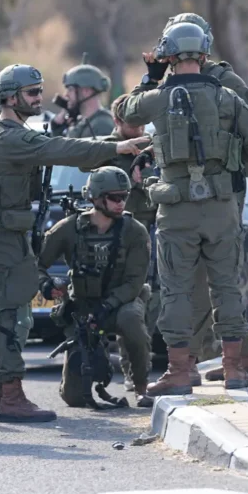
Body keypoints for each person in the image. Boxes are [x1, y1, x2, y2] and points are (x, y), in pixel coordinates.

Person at [0, 64, 147, 422]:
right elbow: (60, 148)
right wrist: (115, 146)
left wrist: (113, 146)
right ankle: (11, 395)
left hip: (3, 235)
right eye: (31, 92)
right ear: (9, 97)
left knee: (12, 313)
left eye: (39, 91)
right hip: (3, 237)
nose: (39, 98)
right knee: (16, 317)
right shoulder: (10, 137)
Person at [115, 22, 248, 395]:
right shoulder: (227, 98)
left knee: (176, 290)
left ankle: (180, 371)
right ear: (204, 55)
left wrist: (151, 77)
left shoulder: (158, 98)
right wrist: (232, 171)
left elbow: (125, 112)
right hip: (221, 208)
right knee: (226, 287)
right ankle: (233, 368)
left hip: (176, 208)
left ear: (168, 56)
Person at [160, 12, 248, 387]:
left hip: (222, 194)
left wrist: (231, 168)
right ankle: (241, 358)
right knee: (207, 282)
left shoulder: (225, 82)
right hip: (194, 196)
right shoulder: (170, 86)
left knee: (209, 282)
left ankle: (193, 361)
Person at [38, 167, 153, 407]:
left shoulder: (135, 231)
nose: (121, 203)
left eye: (124, 197)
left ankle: (141, 386)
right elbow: (37, 265)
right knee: (74, 398)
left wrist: (107, 306)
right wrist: (47, 285)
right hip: (82, 308)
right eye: (114, 197)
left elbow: (134, 282)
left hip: (120, 304)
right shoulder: (68, 229)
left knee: (132, 321)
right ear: (96, 197)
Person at [79, 95, 158, 392]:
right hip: (111, 238)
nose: (138, 129)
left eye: (142, 122)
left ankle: (135, 368)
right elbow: (87, 170)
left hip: (146, 234)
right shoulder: (107, 150)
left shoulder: (153, 147)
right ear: (117, 121)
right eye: (132, 123)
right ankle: (97, 365)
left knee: (145, 303)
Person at [50, 64, 115, 138]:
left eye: (70, 89)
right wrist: (57, 130)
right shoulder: (82, 122)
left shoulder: (101, 126)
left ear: (86, 91)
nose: (66, 95)